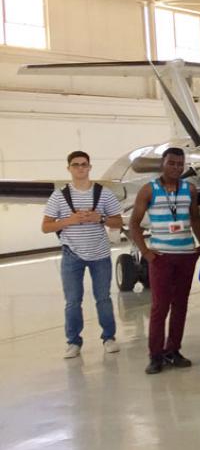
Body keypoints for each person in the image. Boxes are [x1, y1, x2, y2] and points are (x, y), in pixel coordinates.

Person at [127, 148, 200, 374]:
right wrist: (147, 253)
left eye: (180, 164)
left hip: (186, 256)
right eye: (171, 163)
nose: (176, 167)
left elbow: (195, 218)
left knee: (180, 305)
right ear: (162, 164)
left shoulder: (189, 189)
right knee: (159, 307)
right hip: (161, 257)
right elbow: (134, 224)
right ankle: (155, 355)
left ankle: (173, 349)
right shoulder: (148, 190)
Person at [41, 151, 124, 359]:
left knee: (103, 298)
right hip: (72, 255)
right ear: (68, 168)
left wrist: (100, 218)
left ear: (89, 167)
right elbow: (46, 226)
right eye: (76, 164)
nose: (80, 168)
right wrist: (70, 220)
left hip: (100, 254)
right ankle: (73, 342)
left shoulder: (103, 193)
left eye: (84, 164)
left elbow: (118, 221)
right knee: (72, 300)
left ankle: (109, 337)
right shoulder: (59, 196)